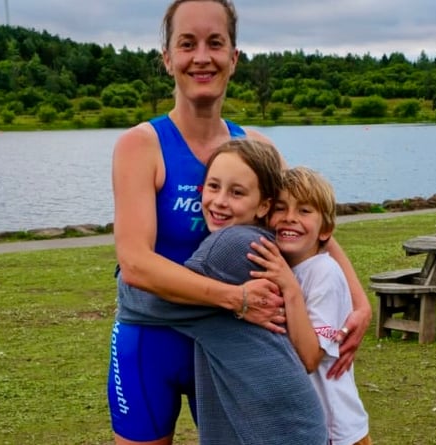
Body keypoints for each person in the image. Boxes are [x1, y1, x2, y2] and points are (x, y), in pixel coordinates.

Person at [109, 0, 370, 443]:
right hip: (154, 342)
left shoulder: (256, 147)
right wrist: (234, 297)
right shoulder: (141, 145)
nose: (202, 57)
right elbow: (135, 264)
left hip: (237, 348)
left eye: (216, 43)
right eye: (187, 44)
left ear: (234, 57)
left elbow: (303, 224)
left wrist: (359, 302)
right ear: (168, 58)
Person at [174, 138, 327, 443]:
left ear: (264, 206)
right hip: (285, 421)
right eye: (213, 186)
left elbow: (143, 299)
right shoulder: (261, 241)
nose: (219, 201)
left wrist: (130, 269)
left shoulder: (231, 246)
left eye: (237, 192)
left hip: (278, 429)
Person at [248, 166, 372, 445]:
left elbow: (310, 358)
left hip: (335, 430)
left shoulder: (324, 273)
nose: (290, 218)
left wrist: (290, 289)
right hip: (299, 425)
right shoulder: (284, 269)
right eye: (281, 208)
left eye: (305, 211)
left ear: (325, 230)